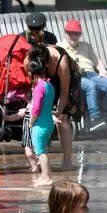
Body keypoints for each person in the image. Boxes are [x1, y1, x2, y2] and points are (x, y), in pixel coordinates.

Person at [57, 19, 107, 131]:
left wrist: (102, 70)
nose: (73, 36)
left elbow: (96, 61)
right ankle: (95, 119)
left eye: (76, 33)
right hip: (74, 77)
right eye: (71, 33)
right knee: (90, 85)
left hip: (92, 74)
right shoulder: (60, 47)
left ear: (80, 34)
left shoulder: (86, 46)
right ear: (66, 33)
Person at [27, 43, 83, 171]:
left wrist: (58, 112)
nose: (46, 69)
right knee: (41, 118)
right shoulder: (31, 58)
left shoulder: (61, 62)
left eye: (46, 67)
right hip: (46, 84)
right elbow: (33, 84)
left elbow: (64, 92)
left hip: (67, 83)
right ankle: (42, 157)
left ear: (47, 62)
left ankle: (67, 161)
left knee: (63, 120)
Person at [26, 59, 56, 186]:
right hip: (49, 122)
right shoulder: (49, 85)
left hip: (40, 124)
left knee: (40, 152)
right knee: (43, 150)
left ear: (32, 73)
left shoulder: (39, 88)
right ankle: (44, 176)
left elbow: (36, 108)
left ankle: (47, 178)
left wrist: (31, 122)